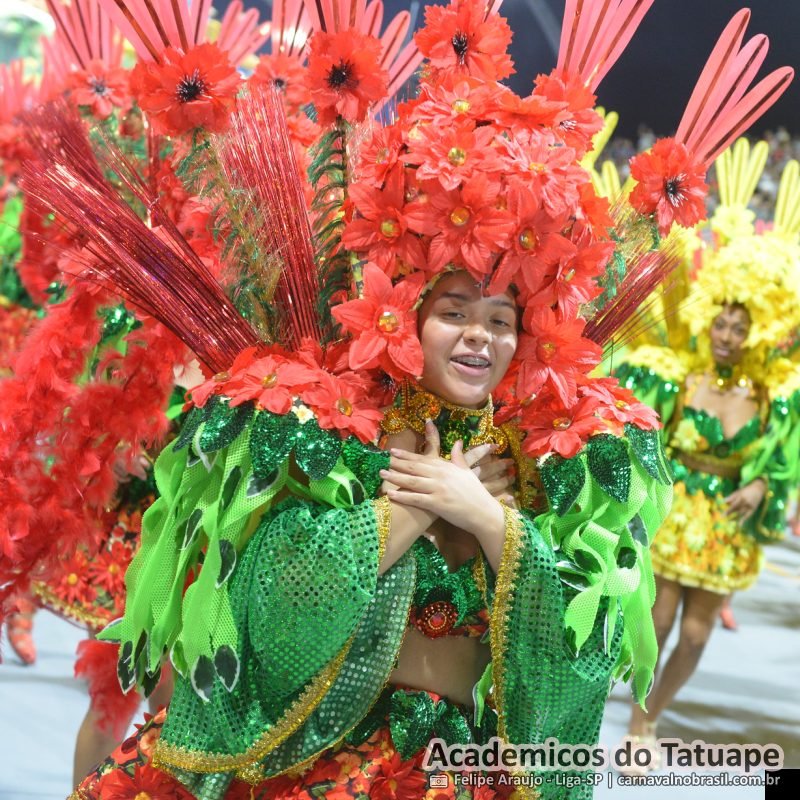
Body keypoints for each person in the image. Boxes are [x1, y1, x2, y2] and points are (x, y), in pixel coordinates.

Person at [20, 2, 788, 799]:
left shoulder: (556, 457)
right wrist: (412, 511)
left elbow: (579, 657)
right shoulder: (331, 427)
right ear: (408, 317)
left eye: (501, 321)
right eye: (454, 313)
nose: (479, 337)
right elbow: (271, 612)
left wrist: (490, 520)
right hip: (318, 762)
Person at [616, 139, 800, 755]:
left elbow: (782, 459)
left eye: (739, 327)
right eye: (720, 323)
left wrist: (761, 484)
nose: (726, 335)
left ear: (758, 331)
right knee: (659, 622)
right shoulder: (683, 378)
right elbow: (644, 436)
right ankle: (638, 717)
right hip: (675, 513)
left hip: (725, 522)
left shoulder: (772, 395)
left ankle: (655, 713)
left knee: (695, 637)